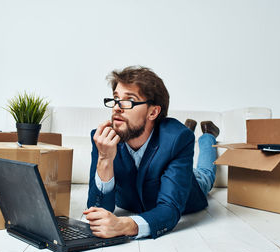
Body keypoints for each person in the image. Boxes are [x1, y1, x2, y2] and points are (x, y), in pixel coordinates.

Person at [83, 66, 220, 239]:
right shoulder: (103, 139)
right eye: (116, 98)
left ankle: (208, 135)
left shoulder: (177, 140)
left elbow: (169, 209)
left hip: (188, 189)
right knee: (176, 138)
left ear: (153, 112)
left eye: (129, 100)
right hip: (168, 148)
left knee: (204, 175)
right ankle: (188, 129)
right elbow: (97, 210)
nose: (117, 108)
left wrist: (125, 225)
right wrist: (104, 158)